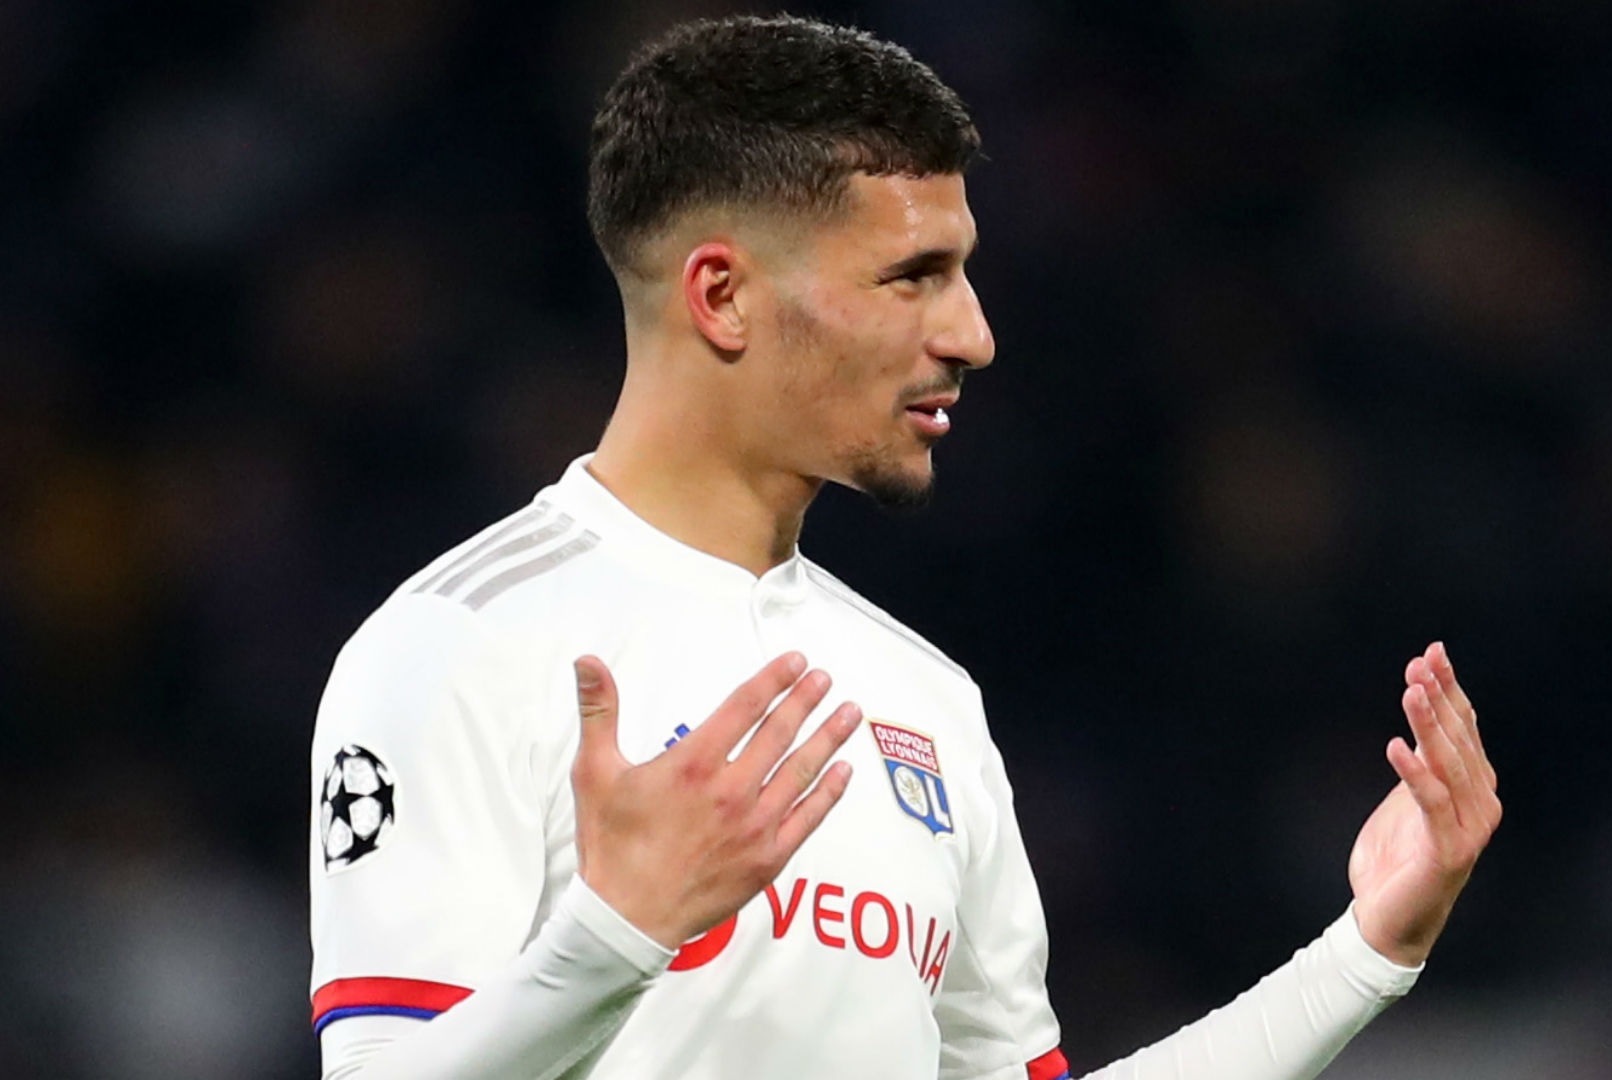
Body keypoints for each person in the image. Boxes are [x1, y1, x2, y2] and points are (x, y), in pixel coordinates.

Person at [307, 15, 1501, 1080]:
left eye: (962, 273)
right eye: (913, 277)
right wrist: (614, 938)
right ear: (722, 295)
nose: (973, 335)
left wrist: (1361, 955)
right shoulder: (456, 648)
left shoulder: (925, 701)